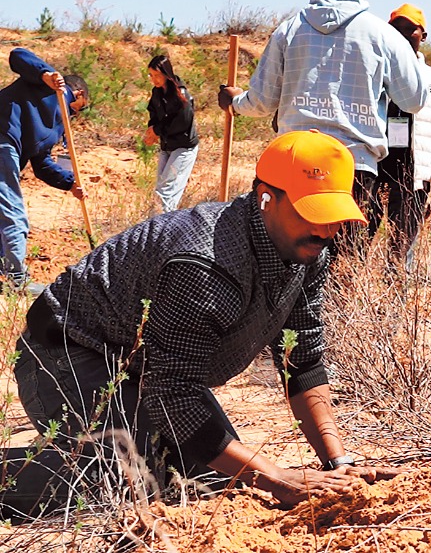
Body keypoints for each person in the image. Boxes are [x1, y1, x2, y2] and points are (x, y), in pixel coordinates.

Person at [1, 130, 398, 520]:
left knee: (215, 482)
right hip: (67, 351)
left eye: (333, 216)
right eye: (310, 214)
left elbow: (304, 362)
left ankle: (90, 437)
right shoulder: (206, 262)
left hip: (149, 367)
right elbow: (173, 393)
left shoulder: (309, 252)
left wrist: (338, 462)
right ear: (265, 197)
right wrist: (277, 476)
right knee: (134, 482)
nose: (326, 230)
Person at [217, 0, 427, 227]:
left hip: (294, 160)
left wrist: (233, 102)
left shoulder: (288, 31)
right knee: (343, 262)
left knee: (281, 258)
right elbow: (414, 100)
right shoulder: (384, 37)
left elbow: (262, 103)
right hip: (353, 168)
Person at [366, 3, 431, 267]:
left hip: (413, 181)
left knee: (401, 254)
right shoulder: (373, 72)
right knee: (356, 244)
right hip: (373, 175)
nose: (403, 34)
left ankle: (395, 305)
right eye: (397, 29)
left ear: (423, 35)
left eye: (410, 29)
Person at [0, 48, 88, 292]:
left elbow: (42, 164)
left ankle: (5, 272)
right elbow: (17, 55)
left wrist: (70, 182)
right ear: (79, 93)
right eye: (83, 106)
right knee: (12, 212)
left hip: (8, 150)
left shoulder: (58, 129)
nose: (79, 113)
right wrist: (45, 74)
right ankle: (17, 279)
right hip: (2, 138)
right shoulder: (51, 85)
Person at [143, 54, 199, 212]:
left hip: (183, 147)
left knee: (166, 192)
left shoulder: (181, 94)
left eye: (157, 75)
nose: (154, 80)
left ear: (166, 74)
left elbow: (182, 122)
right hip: (167, 145)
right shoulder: (157, 93)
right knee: (160, 189)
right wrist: (152, 129)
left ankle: (163, 229)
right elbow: (153, 113)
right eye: (151, 76)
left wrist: (157, 130)